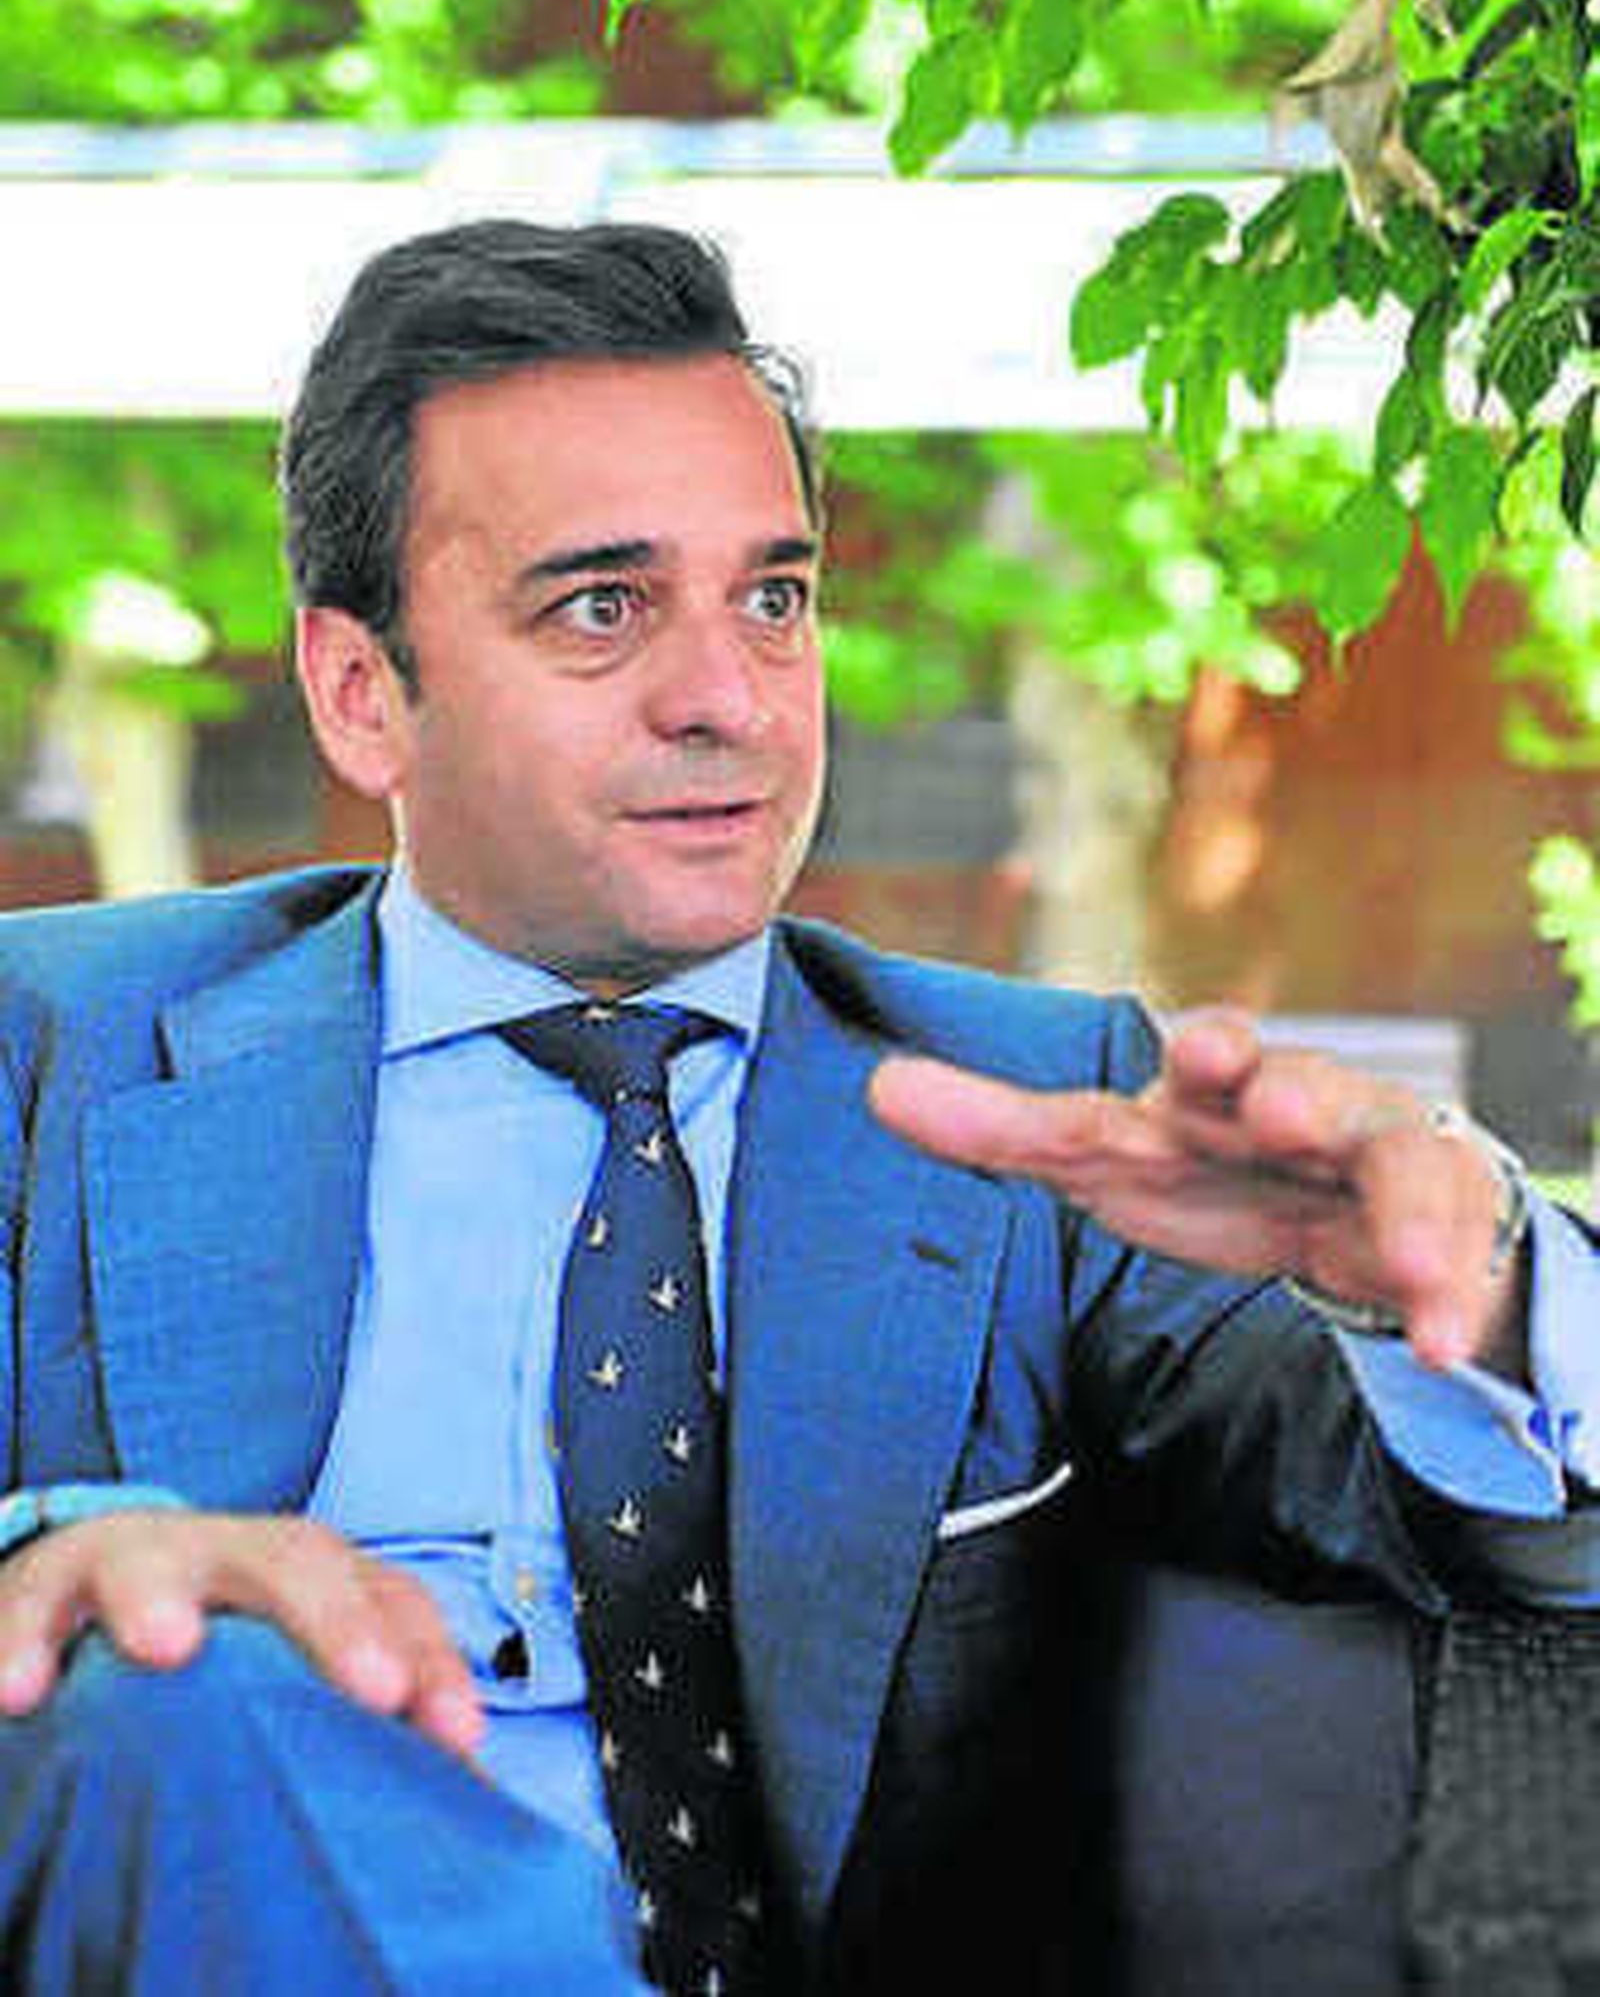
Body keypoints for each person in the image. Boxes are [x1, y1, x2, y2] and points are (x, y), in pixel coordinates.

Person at [0, 218, 1595, 1997]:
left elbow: (1489, 1533)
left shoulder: (1041, 1108)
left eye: (773, 599)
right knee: (178, 1687)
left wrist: (1477, 1294)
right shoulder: (50, 1053)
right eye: (602, 608)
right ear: (361, 692)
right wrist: (52, 1556)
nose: (730, 702)